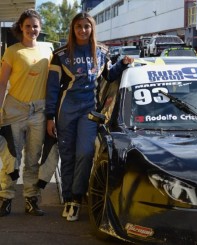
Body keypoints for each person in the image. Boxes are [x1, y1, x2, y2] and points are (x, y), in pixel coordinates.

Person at [45, 12, 134, 222]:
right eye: (79, 26)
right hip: (65, 111)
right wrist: (50, 116)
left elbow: (109, 75)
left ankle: (77, 198)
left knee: (84, 153)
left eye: (86, 26)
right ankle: (68, 199)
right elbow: (51, 89)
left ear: (92, 28)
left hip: (89, 111)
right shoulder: (60, 54)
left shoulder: (102, 52)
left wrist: (123, 63)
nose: (83, 30)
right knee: (67, 156)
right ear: (73, 29)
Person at [0, 9, 53, 217]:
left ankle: (31, 198)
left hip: (38, 112)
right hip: (14, 109)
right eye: (28, 25)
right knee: (11, 158)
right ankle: (6, 198)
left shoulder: (48, 50)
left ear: (40, 28)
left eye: (36, 26)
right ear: (21, 27)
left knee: (33, 157)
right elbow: (2, 83)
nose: (32, 29)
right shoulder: (12, 51)